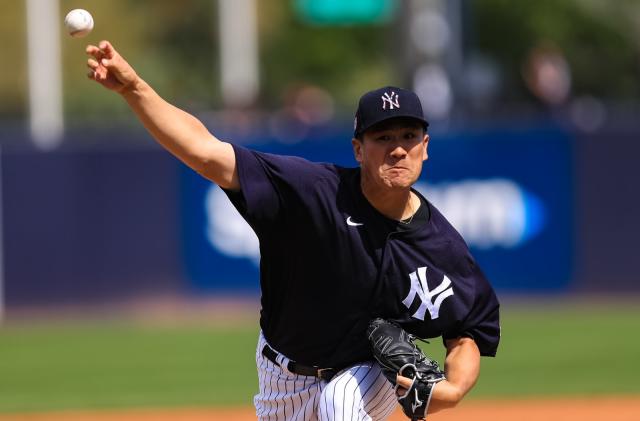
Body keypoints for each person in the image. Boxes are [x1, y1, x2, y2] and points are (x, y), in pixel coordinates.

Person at [86, 40, 500, 420]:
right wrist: (134, 89)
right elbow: (205, 151)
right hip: (282, 375)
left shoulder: (440, 247)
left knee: (341, 405)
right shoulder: (311, 192)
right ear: (358, 149)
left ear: (425, 146)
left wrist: (455, 387)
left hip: (368, 372)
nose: (397, 148)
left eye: (409, 136)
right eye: (382, 137)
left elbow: (468, 327)